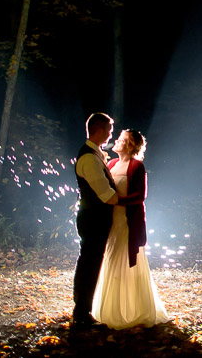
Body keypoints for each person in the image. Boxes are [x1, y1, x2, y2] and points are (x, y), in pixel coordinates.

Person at [91, 128, 169, 329]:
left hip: (127, 223)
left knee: (124, 260)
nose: (116, 141)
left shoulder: (137, 166)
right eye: (118, 138)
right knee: (110, 259)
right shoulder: (111, 164)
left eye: (122, 139)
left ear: (131, 146)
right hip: (111, 222)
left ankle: (132, 309)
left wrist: (119, 201)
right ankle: (108, 307)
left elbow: (140, 196)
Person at [72, 113, 119, 328]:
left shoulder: (95, 154)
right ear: (98, 130)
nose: (111, 135)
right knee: (89, 265)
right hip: (93, 220)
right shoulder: (89, 158)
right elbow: (106, 194)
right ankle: (82, 313)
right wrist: (127, 199)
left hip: (93, 218)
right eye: (109, 131)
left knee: (88, 263)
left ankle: (81, 309)